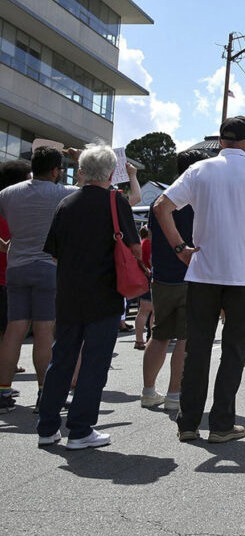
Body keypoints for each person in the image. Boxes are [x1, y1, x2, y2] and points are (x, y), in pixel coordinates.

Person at [153, 116, 245, 443]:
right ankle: (222, 423)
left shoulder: (200, 169)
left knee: (197, 348)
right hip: (244, 273)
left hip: (203, 271)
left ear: (221, 141)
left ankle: (188, 422)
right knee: (234, 350)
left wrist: (179, 247)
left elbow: (160, 206)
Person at [36, 143, 141, 449]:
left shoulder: (66, 203)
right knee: (94, 362)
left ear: (80, 172)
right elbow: (133, 248)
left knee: (62, 359)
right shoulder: (115, 202)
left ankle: (47, 426)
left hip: (68, 292)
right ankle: (80, 429)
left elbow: (54, 254)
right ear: (111, 173)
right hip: (105, 292)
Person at [0, 146, 79, 413]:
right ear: (56, 171)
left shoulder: (8, 193)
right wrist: (80, 161)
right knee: (45, 331)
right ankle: (45, 393)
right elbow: (91, 187)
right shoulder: (63, 193)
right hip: (48, 267)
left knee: (14, 330)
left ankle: (2, 391)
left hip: (16, 267)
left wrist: (4, 244)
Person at [140, 150, 207, 411]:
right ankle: (174, 395)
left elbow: (152, 238)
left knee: (159, 335)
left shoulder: (161, 198)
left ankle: (148, 391)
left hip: (162, 276)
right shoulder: (197, 199)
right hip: (191, 274)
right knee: (185, 338)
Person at [0, 160, 31, 385]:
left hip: (10, 275)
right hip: (8, 276)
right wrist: (7, 245)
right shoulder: (15, 204)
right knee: (10, 331)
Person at [133, 226, 153, 350]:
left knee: (143, 310)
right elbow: (151, 261)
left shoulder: (142, 243)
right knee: (151, 311)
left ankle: (139, 339)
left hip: (143, 278)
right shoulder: (149, 243)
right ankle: (152, 339)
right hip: (149, 277)